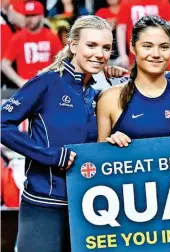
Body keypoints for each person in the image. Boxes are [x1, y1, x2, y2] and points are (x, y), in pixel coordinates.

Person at [1, 15, 113, 252]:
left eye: (106, 48)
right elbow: (2, 124)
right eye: (91, 45)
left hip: (88, 207)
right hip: (44, 206)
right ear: (72, 45)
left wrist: (123, 80)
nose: (100, 54)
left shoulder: (97, 93)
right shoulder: (47, 82)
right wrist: (50, 156)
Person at [97, 15, 170, 147]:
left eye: (164, 47)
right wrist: (112, 146)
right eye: (147, 46)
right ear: (132, 47)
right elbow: (98, 160)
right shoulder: (109, 98)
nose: (156, 54)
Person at [1, 1, 63, 88]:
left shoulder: (51, 37)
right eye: (27, 16)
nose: (29, 19)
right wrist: (20, 81)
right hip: (27, 86)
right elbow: (4, 64)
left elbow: (62, 61)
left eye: (33, 15)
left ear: (41, 16)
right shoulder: (18, 38)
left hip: (47, 86)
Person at [116, 0, 170, 68]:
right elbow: (121, 28)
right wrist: (123, 55)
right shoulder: (126, 2)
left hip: (160, 52)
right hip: (137, 53)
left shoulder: (162, 1)